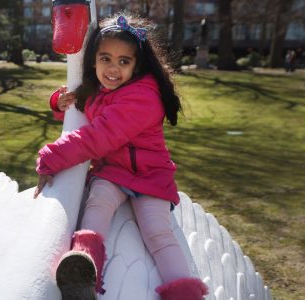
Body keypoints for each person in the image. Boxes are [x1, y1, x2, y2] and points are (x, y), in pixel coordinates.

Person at [34, 14, 208, 300]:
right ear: (93, 61)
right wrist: (58, 101)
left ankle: (184, 292)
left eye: (123, 61)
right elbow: (79, 111)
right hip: (112, 171)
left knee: (158, 234)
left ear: (136, 66)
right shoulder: (98, 91)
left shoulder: (143, 96)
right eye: (105, 59)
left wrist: (51, 157)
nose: (113, 69)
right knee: (97, 204)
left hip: (150, 175)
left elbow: (98, 137)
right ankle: (83, 268)